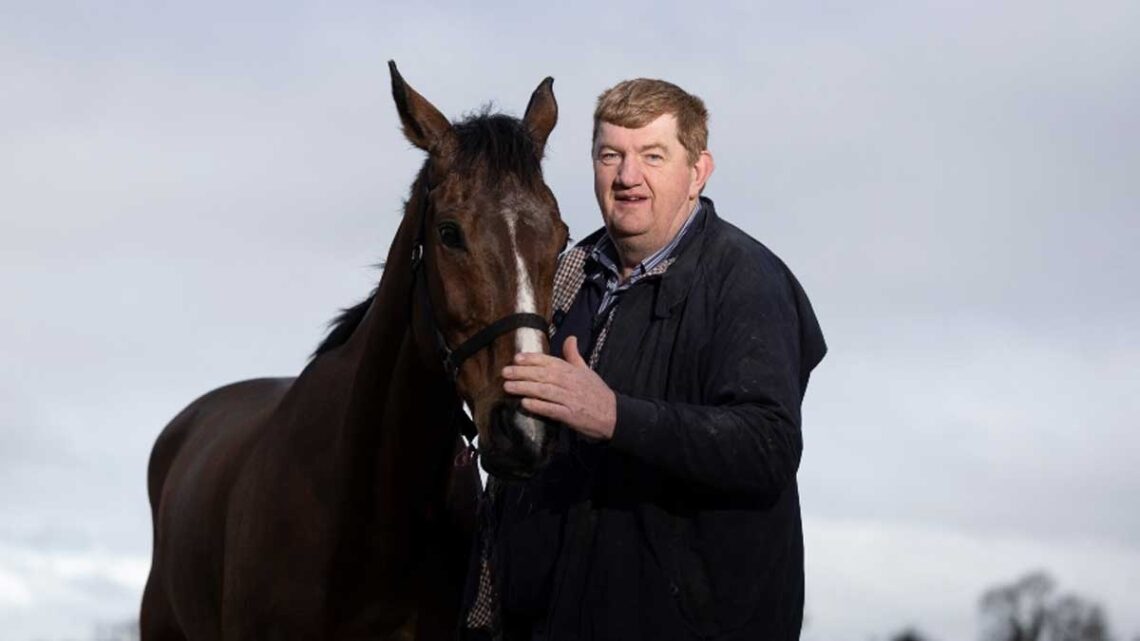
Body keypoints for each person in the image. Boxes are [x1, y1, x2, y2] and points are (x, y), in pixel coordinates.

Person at [480, 77, 827, 641]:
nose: (626, 176)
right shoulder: (561, 277)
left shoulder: (747, 281)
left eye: (652, 156)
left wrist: (613, 415)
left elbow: (767, 446)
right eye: (609, 155)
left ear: (698, 171)